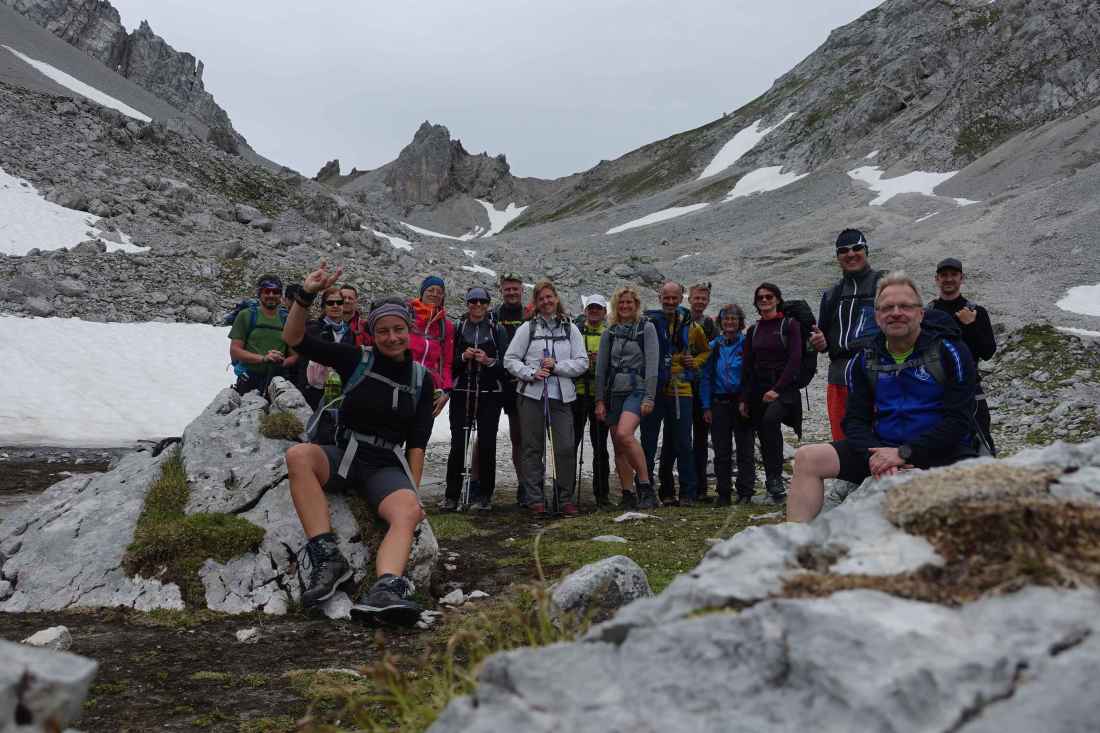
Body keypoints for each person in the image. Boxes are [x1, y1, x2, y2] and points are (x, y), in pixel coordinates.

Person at [283, 262, 435, 626]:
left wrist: (413, 493)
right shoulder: (356, 359)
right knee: (299, 456)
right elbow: (295, 339)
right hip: (345, 455)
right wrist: (305, 296)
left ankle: (386, 589)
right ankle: (327, 556)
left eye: (398, 329)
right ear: (372, 333)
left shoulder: (421, 379)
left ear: (409, 330)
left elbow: (417, 443)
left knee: (407, 513)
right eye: (383, 331)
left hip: (384, 466)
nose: (392, 337)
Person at [788, 272, 978, 522]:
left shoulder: (950, 351)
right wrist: (877, 456)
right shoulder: (864, 359)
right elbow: (854, 421)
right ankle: (795, 539)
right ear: (877, 316)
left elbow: (959, 420)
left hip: (943, 451)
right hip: (882, 448)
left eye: (905, 306)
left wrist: (905, 452)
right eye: (887, 307)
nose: (896, 313)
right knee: (807, 458)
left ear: (921, 313)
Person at [503, 280, 588, 516]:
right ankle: (535, 499)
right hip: (532, 395)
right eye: (541, 299)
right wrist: (531, 373)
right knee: (532, 448)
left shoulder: (571, 328)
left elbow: (582, 362)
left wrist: (557, 366)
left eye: (549, 297)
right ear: (536, 303)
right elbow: (510, 359)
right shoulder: (527, 328)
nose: (546, 301)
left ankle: (564, 498)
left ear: (556, 299)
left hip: (561, 397)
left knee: (565, 447)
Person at [809, 229, 885, 440]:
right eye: (843, 250)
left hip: (878, 375)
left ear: (866, 250)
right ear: (837, 257)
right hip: (839, 377)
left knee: (882, 439)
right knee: (842, 441)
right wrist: (819, 342)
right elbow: (823, 339)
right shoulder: (831, 294)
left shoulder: (883, 284)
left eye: (857, 248)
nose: (851, 254)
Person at [641, 282, 710, 506]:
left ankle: (687, 492)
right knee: (649, 441)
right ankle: (652, 490)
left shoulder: (692, 327)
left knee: (682, 442)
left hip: (682, 389)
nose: (670, 302)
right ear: (660, 297)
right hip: (655, 388)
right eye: (666, 298)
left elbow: (706, 351)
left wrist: (694, 362)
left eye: (674, 298)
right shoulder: (650, 323)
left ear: (681, 299)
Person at [443, 287, 508, 511]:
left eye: (482, 301)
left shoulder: (497, 329)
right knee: (458, 444)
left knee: (487, 444)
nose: (477, 305)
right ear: (467, 303)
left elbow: (506, 364)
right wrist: (463, 356)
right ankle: (451, 495)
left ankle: (484, 496)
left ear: (488, 304)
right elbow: (449, 363)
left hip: (490, 394)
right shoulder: (458, 327)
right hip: (462, 393)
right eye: (473, 301)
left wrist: (488, 361)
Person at [595, 286, 659, 509]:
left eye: (629, 302)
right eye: (621, 303)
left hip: (637, 389)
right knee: (618, 445)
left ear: (636, 305)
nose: (625, 306)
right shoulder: (609, 332)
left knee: (624, 434)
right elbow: (601, 370)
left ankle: (645, 486)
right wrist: (599, 400)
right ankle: (627, 494)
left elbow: (652, 366)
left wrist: (649, 397)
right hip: (614, 392)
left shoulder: (646, 328)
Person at [741, 283, 802, 504]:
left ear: (777, 299)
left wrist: (777, 389)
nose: (765, 300)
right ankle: (772, 481)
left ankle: (775, 478)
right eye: (761, 298)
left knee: (770, 421)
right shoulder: (754, 330)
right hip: (759, 387)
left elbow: (795, 359)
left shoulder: (790, 325)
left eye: (769, 296)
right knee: (764, 431)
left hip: (784, 388)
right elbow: (748, 365)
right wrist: (744, 398)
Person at [929, 258, 997, 454]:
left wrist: (972, 325)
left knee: (981, 437)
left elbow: (988, 352)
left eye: (954, 275)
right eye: (944, 275)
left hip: (970, 388)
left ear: (962, 278)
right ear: (937, 279)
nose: (949, 279)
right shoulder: (928, 313)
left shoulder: (977, 312)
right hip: (936, 387)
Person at [700, 304, 755, 506]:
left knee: (745, 449)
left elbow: (752, 374)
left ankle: (745, 491)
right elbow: (706, 377)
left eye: (733, 318)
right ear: (720, 322)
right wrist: (706, 406)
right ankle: (723, 493)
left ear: (740, 322)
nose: (729, 322)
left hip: (742, 403)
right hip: (719, 402)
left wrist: (746, 400)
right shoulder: (713, 346)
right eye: (726, 319)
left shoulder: (747, 344)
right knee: (721, 450)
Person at [489, 273, 529, 502]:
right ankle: (480, 485)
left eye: (515, 289)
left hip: (523, 382)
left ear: (522, 290)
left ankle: (525, 484)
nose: (512, 293)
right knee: (488, 435)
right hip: (499, 381)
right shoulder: (493, 315)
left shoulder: (530, 314)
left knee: (521, 437)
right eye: (507, 289)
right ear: (501, 291)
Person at [228, 274, 298, 396]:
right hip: (249, 379)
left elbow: (295, 355)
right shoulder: (246, 315)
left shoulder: (287, 319)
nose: (271, 295)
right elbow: (235, 350)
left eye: (275, 292)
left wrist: (281, 362)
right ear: (260, 293)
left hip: (278, 381)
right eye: (267, 291)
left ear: (280, 295)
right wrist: (264, 358)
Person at [572, 294, 611, 506]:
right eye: (591, 308)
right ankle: (565, 492)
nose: (594, 311)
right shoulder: (576, 331)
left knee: (600, 446)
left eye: (598, 308)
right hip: (577, 394)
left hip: (599, 396)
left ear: (604, 312)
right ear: (585, 310)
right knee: (572, 444)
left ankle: (602, 494)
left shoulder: (609, 333)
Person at [300, 285, 356, 409]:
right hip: (313, 391)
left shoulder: (349, 333)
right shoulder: (313, 328)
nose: (335, 306)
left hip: (339, 391)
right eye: (330, 303)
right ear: (323, 307)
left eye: (339, 302)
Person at [688, 282, 718, 502]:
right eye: (696, 298)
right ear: (689, 299)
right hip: (681, 385)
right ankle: (687, 487)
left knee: (700, 438)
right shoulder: (680, 319)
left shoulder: (710, 325)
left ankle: (700, 488)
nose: (699, 301)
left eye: (703, 298)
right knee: (681, 437)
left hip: (702, 387)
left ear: (707, 301)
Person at [409, 276, 455, 417]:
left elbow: (446, 363)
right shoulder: (407, 316)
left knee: (421, 430)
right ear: (422, 292)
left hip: (430, 389)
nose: (435, 294)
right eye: (430, 290)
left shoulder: (446, 326)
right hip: (403, 382)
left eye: (439, 292)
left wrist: (446, 390)